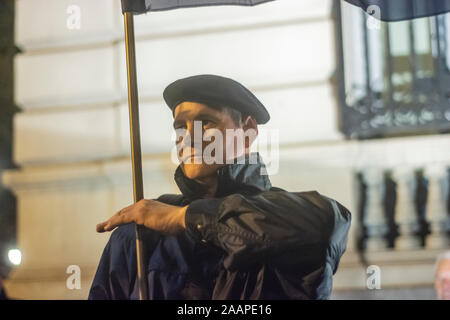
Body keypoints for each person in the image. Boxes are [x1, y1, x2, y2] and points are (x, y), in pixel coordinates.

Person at [88, 74, 351, 300]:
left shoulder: (297, 219)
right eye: (181, 126)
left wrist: (185, 218)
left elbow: (325, 224)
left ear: (247, 131)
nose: (189, 138)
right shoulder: (138, 235)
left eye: (207, 122)